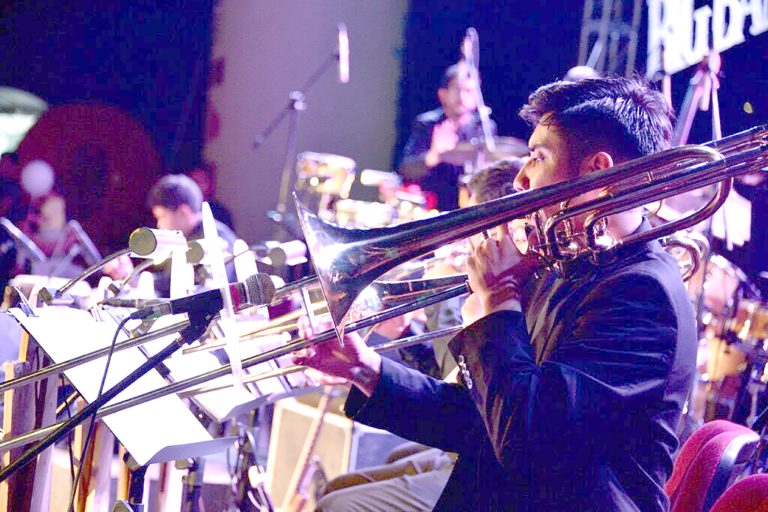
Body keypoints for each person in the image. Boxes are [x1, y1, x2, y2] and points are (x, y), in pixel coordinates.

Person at [294, 75, 697, 510]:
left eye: (538, 157)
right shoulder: (571, 264)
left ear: (597, 172)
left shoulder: (642, 293)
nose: (521, 179)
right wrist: (366, 369)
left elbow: (527, 445)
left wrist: (499, 299)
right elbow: (485, 418)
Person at [105, 174, 238, 297]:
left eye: (162, 216)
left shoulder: (217, 237)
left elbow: (204, 289)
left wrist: (134, 279)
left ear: (183, 212)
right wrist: (132, 278)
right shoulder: (184, 239)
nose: (159, 224)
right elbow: (168, 281)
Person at [399, 63, 495, 211]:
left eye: (469, 91)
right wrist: (435, 154)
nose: (462, 96)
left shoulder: (484, 127)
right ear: (442, 94)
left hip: (469, 209)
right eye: (457, 89)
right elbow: (406, 169)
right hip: (431, 208)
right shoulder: (427, 124)